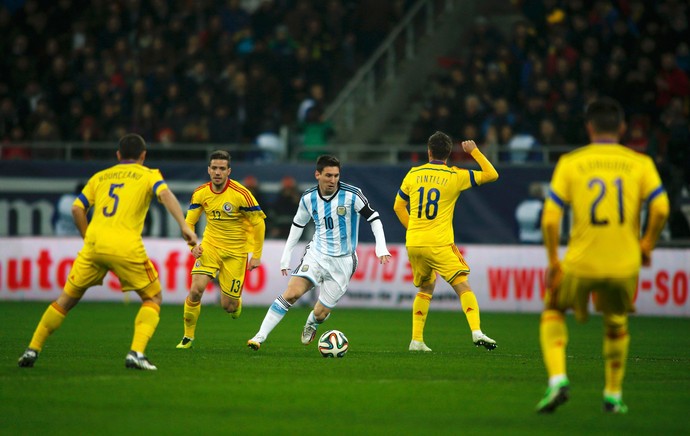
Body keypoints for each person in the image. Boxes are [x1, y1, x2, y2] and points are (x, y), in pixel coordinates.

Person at [17, 133, 197, 370]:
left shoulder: (100, 177)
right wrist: (184, 225)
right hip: (125, 245)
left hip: (94, 245)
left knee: (65, 301)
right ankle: (136, 353)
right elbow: (164, 194)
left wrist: (88, 237)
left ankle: (32, 348)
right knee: (152, 298)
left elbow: (77, 209)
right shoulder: (149, 174)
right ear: (143, 156)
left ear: (118, 155)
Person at [535, 97, 670, 414]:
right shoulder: (640, 163)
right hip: (625, 265)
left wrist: (554, 261)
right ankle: (613, 394)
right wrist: (647, 244)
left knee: (553, 309)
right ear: (622, 128)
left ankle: (557, 380)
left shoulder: (571, 162)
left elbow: (551, 219)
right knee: (616, 323)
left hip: (581, 262)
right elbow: (662, 207)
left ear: (589, 128)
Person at [247, 155, 391, 350]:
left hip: (343, 261)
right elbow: (298, 225)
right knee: (291, 293)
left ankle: (312, 323)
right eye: (328, 175)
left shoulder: (352, 195)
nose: (333, 180)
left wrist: (380, 247)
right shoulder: (308, 198)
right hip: (317, 255)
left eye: (336, 176)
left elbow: (374, 218)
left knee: (321, 312)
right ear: (318, 174)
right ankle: (259, 337)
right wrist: (286, 255)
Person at [393, 133, 499, 352]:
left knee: (426, 287)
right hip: (439, 243)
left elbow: (398, 206)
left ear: (428, 151)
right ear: (449, 154)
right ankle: (476, 331)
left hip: (413, 242)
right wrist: (474, 152)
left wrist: (413, 227)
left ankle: (416, 340)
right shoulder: (454, 175)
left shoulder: (413, 173)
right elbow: (492, 174)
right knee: (462, 284)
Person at [176, 150, 266, 349]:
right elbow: (189, 222)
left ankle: (235, 303)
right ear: (209, 170)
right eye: (214, 168)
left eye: (222, 169)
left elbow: (259, 224)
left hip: (236, 252)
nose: (218, 172)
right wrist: (193, 246)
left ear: (229, 171)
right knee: (195, 290)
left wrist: (256, 256)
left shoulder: (241, 194)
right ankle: (187, 337)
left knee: (228, 306)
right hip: (210, 247)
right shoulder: (201, 193)